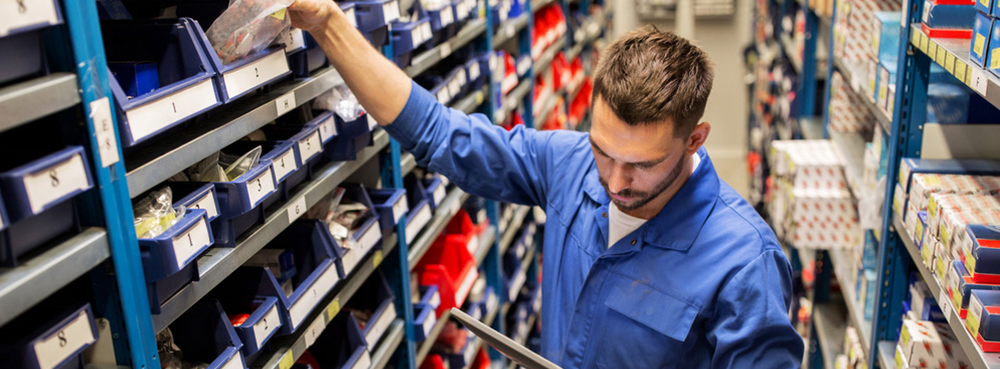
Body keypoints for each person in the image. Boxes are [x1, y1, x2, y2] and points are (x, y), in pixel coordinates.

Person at [287, 1, 805, 366]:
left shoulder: (744, 263)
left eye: (641, 165)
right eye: (603, 150)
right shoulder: (570, 164)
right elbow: (438, 132)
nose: (615, 181)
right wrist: (328, 23)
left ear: (694, 140)